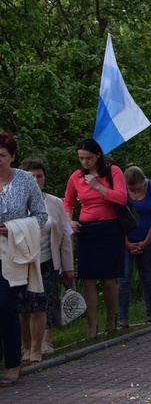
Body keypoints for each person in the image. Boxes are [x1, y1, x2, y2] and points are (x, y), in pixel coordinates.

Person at [64, 138, 127, 339]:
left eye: (88, 158)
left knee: (109, 280)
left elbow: (121, 197)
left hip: (110, 229)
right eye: (81, 158)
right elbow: (68, 202)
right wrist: (69, 221)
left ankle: (110, 318)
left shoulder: (113, 171)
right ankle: (92, 325)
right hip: (87, 230)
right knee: (88, 279)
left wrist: (98, 186)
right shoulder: (76, 177)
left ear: (98, 155)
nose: (84, 162)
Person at [0, 134, 47, 387]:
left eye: (2, 156)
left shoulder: (25, 180)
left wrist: (14, 228)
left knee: (6, 305)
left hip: (14, 253)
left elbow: (40, 216)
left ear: (12, 156)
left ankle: (13, 364)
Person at [17, 158, 73, 361]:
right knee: (23, 308)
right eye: (31, 176)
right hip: (21, 262)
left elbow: (65, 238)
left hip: (48, 263)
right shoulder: (14, 201)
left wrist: (68, 268)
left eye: (39, 176)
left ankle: (37, 350)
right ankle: (26, 347)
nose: (36, 179)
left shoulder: (55, 202)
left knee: (41, 305)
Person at [117, 165, 151, 329]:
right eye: (131, 189)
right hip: (126, 240)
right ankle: (123, 319)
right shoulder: (122, 191)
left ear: (142, 182)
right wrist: (127, 243)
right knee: (124, 279)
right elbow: (118, 217)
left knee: (146, 277)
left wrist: (145, 242)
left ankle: (150, 314)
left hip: (147, 239)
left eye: (137, 188)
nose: (134, 191)